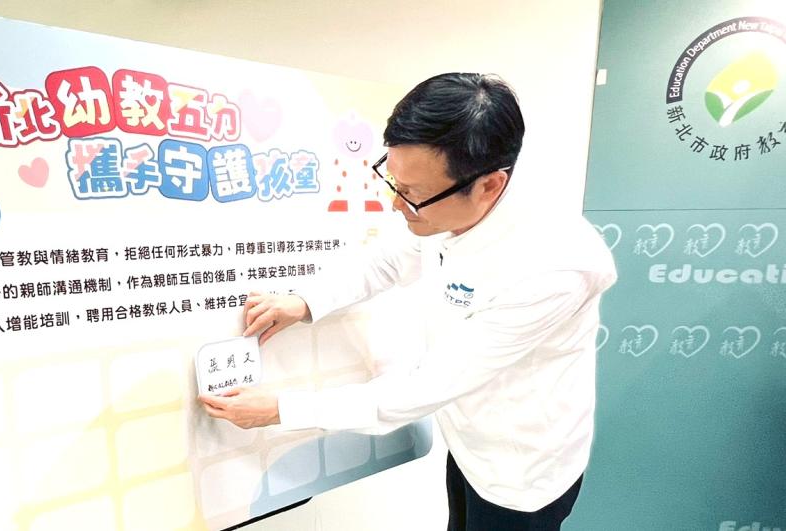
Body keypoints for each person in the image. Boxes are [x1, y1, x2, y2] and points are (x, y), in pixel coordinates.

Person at [199, 72, 617, 531]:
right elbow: (388, 259)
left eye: (412, 194)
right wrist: (306, 301)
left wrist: (282, 409)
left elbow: (427, 387)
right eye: (393, 179)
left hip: (521, 467)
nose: (396, 204)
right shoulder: (453, 206)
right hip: (469, 439)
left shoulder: (553, 267)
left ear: (489, 186)